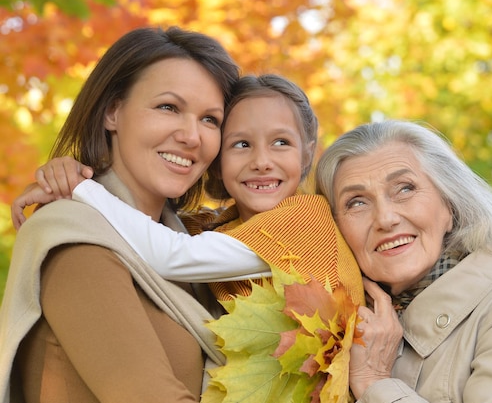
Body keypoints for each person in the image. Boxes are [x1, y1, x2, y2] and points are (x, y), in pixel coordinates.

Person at [0, 26, 272, 403]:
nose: (192, 136)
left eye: (210, 119)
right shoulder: (78, 243)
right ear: (113, 111)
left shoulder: (195, 249)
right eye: (168, 107)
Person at [11, 74, 365, 305]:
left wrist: (82, 188)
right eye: (241, 145)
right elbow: (142, 220)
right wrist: (64, 176)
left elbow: (171, 254)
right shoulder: (217, 227)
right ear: (217, 157)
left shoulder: (305, 220)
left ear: (307, 153)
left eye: (281, 143)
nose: (261, 161)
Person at [315, 119, 492, 402]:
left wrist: (373, 382)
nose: (385, 219)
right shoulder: (331, 323)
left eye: (404, 189)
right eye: (356, 202)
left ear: (449, 205)